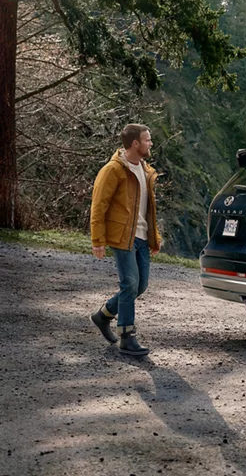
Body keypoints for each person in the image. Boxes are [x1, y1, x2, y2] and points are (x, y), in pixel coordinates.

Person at [89, 124, 162, 356]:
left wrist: (154, 237)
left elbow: (148, 209)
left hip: (142, 237)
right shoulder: (113, 170)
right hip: (122, 237)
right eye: (147, 140)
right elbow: (98, 205)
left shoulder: (146, 170)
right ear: (135, 143)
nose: (150, 143)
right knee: (129, 284)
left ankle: (103, 315)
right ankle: (127, 336)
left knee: (140, 286)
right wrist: (98, 239)